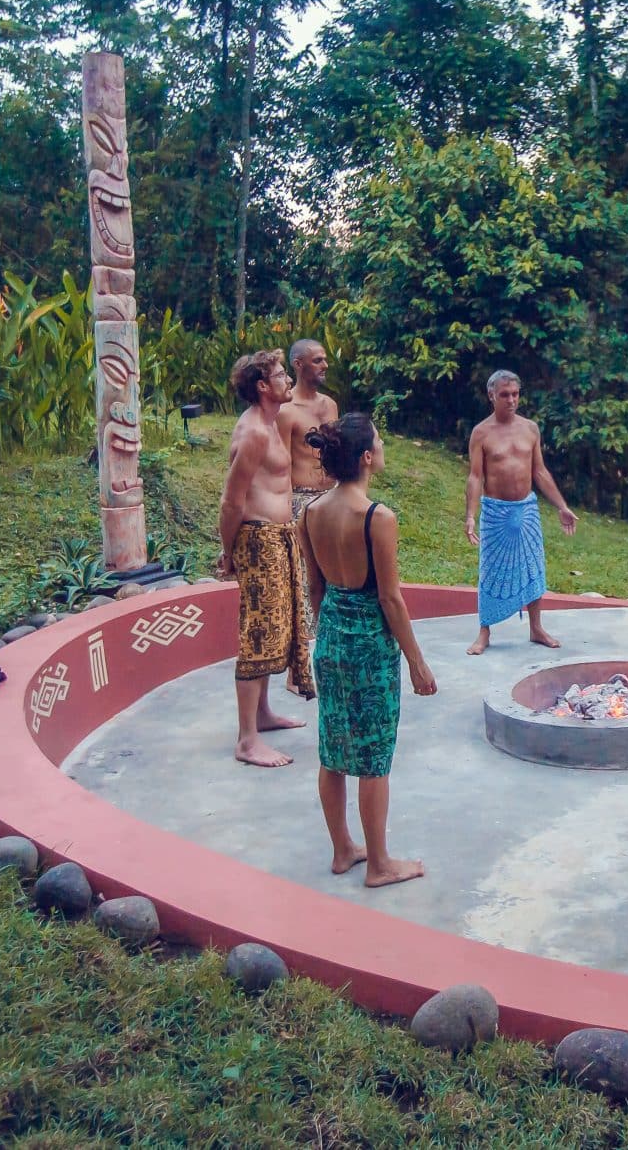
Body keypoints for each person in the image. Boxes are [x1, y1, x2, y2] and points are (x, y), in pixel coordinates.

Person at [299, 412, 438, 887]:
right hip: (370, 647)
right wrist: (416, 662)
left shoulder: (311, 512)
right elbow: (390, 599)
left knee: (333, 748)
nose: (382, 448)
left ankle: (343, 849)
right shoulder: (378, 517)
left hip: (331, 637)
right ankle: (379, 864)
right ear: (364, 457)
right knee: (374, 756)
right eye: (378, 441)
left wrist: (329, 634)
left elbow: (314, 589)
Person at [216, 349, 312, 766]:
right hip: (258, 540)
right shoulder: (254, 432)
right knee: (258, 636)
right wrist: (229, 552)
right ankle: (246, 740)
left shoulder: (271, 422)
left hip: (278, 538)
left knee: (276, 632)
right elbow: (231, 501)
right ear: (262, 386)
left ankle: (263, 714)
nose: (288, 380)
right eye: (280, 375)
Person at [465, 370, 578, 654]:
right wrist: (470, 515)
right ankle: (484, 631)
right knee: (490, 570)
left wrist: (562, 506)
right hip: (496, 512)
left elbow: (539, 471)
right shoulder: (481, 433)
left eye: (515, 394)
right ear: (492, 395)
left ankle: (536, 627)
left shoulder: (530, 429)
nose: (511, 400)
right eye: (505, 395)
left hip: (526, 510)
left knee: (533, 566)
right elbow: (475, 477)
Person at [277, 338, 340, 694]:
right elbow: (280, 468)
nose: (324, 365)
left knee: (334, 580)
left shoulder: (330, 405)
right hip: (300, 501)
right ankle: (296, 671)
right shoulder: (286, 411)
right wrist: (285, 514)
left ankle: (329, 658)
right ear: (298, 364)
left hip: (333, 499)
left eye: (324, 360)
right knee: (303, 583)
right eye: (317, 360)